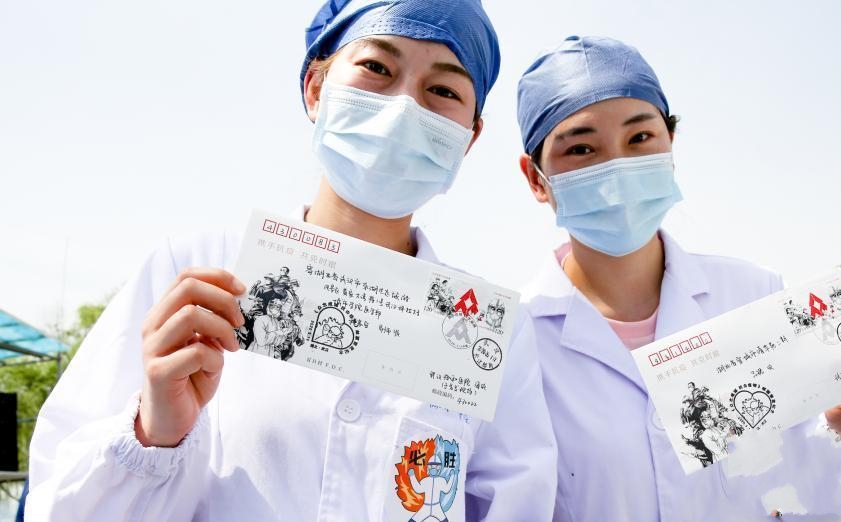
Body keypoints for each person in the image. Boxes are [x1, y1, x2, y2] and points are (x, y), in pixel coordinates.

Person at [25, 1, 558, 520]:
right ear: (316, 88)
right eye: (377, 67)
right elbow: (58, 508)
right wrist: (153, 433)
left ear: (469, 138)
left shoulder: (487, 333)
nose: (404, 108)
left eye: (442, 91)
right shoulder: (194, 276)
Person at [515, 35, 841, 520]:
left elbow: (821, 499)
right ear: (536, 178)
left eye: (639, 138)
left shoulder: (758, 298)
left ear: (670, 146)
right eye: (581, 148)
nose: (618, 166)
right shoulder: (516, 340)